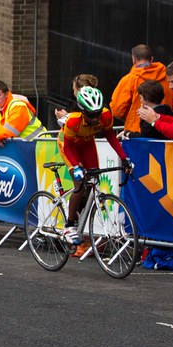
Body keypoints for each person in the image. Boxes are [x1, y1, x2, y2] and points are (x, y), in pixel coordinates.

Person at [58, 85, 133, 251]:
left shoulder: (105, 116)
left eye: (98, 113)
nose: (96, 118)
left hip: (87, 144)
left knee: (94, 179)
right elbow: (69, 148)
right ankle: (69, 225)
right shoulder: (73, 121)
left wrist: (123, 158)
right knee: (79, 184)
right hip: (69, 145)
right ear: (83, 111)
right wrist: (76, 167)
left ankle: (81, 214)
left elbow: (111, 137)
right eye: (92, 115)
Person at [110, 44, 173, 136]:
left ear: (133, 59)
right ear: (152, 59)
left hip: (136, 134)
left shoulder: (129, 80)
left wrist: (132, 118)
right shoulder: (169, 79)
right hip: (163, 133)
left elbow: (117, 109)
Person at [0, 80, 45, 145]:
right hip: (27, 145)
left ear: (6, 94)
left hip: (42, 144)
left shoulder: (18, 106)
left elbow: (11, 130)